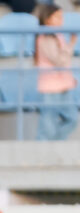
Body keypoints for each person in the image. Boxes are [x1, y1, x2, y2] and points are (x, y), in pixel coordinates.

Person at [36, 3, 78, 141]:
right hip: (50, 87)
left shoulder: (58, 35)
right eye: (57, 17)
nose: (61, 20)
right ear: (47, 19)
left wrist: (70, 79)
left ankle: (54, 144)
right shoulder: (45, 38)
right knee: (47, 125)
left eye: (62, 17)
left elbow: (64, 61)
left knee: (72, 119)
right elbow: (59, 60)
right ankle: (43, 148)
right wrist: (71, 44)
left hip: (63, 86)